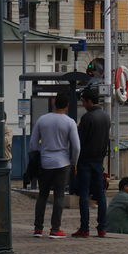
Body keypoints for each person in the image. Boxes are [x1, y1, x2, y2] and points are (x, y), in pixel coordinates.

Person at [31, 94, 80, 239]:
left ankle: (38, 229)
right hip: (62, 162)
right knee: (59, 196)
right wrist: (74, 162)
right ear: (67, 106)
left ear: (53, 103)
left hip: (45, 161)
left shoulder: (42, 119)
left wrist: (40, 154)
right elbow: (76, 146)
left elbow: (33, 143)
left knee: (42, 195)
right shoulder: (69, 122)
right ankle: (55, 229)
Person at [73, 88, 111, 238]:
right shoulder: (105, 117)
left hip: (85, 161)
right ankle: (102, 227)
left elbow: (80, 141)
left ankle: (85, 228)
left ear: (89, 101)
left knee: (84, 194)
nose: (83, 104)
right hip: (99, 160)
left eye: (83, 101)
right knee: (100, 194)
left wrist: (75, 160)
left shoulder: (88, 118)